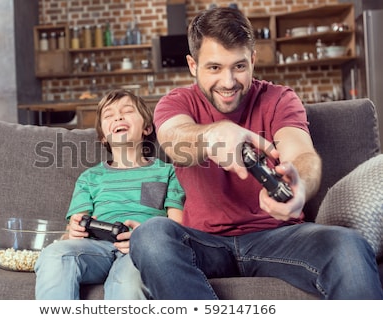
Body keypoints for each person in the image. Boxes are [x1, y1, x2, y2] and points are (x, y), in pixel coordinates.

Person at [129, 7, 383, 299]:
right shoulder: (176, 103)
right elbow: (175, 139)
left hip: (277, 237)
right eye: (214, 68)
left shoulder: (279, 99)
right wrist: (212, 134)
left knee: (349, 246)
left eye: (238, 66)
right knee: (150, 236)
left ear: (252, 60)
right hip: (205, 243)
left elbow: (302, 154)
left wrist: (299, 185)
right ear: (192, 65)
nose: (228, 82)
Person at [34, 89, 185, 300]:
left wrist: (147, 239)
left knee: (128, 283)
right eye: (109, 115)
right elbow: (72, 230)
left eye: (127, 111)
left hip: (139, 252)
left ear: (147, 127)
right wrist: (73, 231)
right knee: (54, 254)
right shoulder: (90, 178)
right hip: (95, 249)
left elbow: (177, 228)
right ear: (104, 137)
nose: (118, 117)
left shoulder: (166, 172)